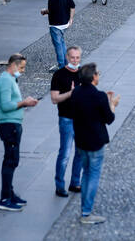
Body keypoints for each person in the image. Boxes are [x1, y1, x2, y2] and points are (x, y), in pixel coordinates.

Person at [72, 63, 120, 224]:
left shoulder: (76, 93)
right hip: (95, 141)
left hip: (80, 140)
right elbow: (109, 119)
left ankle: (84, 209)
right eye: (98, 73)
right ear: (93, 77)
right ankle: (86, 212)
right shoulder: (98, 96)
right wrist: (112, 105)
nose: (99, 75)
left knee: (85, 173)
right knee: (93, 175)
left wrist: (105, 101)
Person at [0, 53, 39, 211]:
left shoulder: (10, 79)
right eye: (21, 67)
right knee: (10, 160)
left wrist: (24, 103)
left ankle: (9, 193)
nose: (23, 70)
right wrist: (24, 102)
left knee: (12, 160)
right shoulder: (6, 80)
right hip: (9, 125)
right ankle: (5, 198)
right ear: (13, 65)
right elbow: (6, 105)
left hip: (13, 124)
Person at [51, 47, 83, 198]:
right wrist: (71, 93)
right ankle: (59, 185)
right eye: (72, 58)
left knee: (80, 152)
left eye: (77, 58)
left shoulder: (83, 74)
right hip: (66, 118)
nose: (75, 61)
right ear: (67, 57)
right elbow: (54, 98)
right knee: (65, 153)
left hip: (81, 119)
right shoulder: (59, 75)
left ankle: (75, 182)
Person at [41, 0, 76, 70]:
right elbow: (72, 6)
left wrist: (44, 11)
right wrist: (71, 19)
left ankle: (61, 66)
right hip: (65, 22)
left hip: (55, 23)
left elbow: (52, 10)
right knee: (62, 43)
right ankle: (66, 63)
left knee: (58, 46)